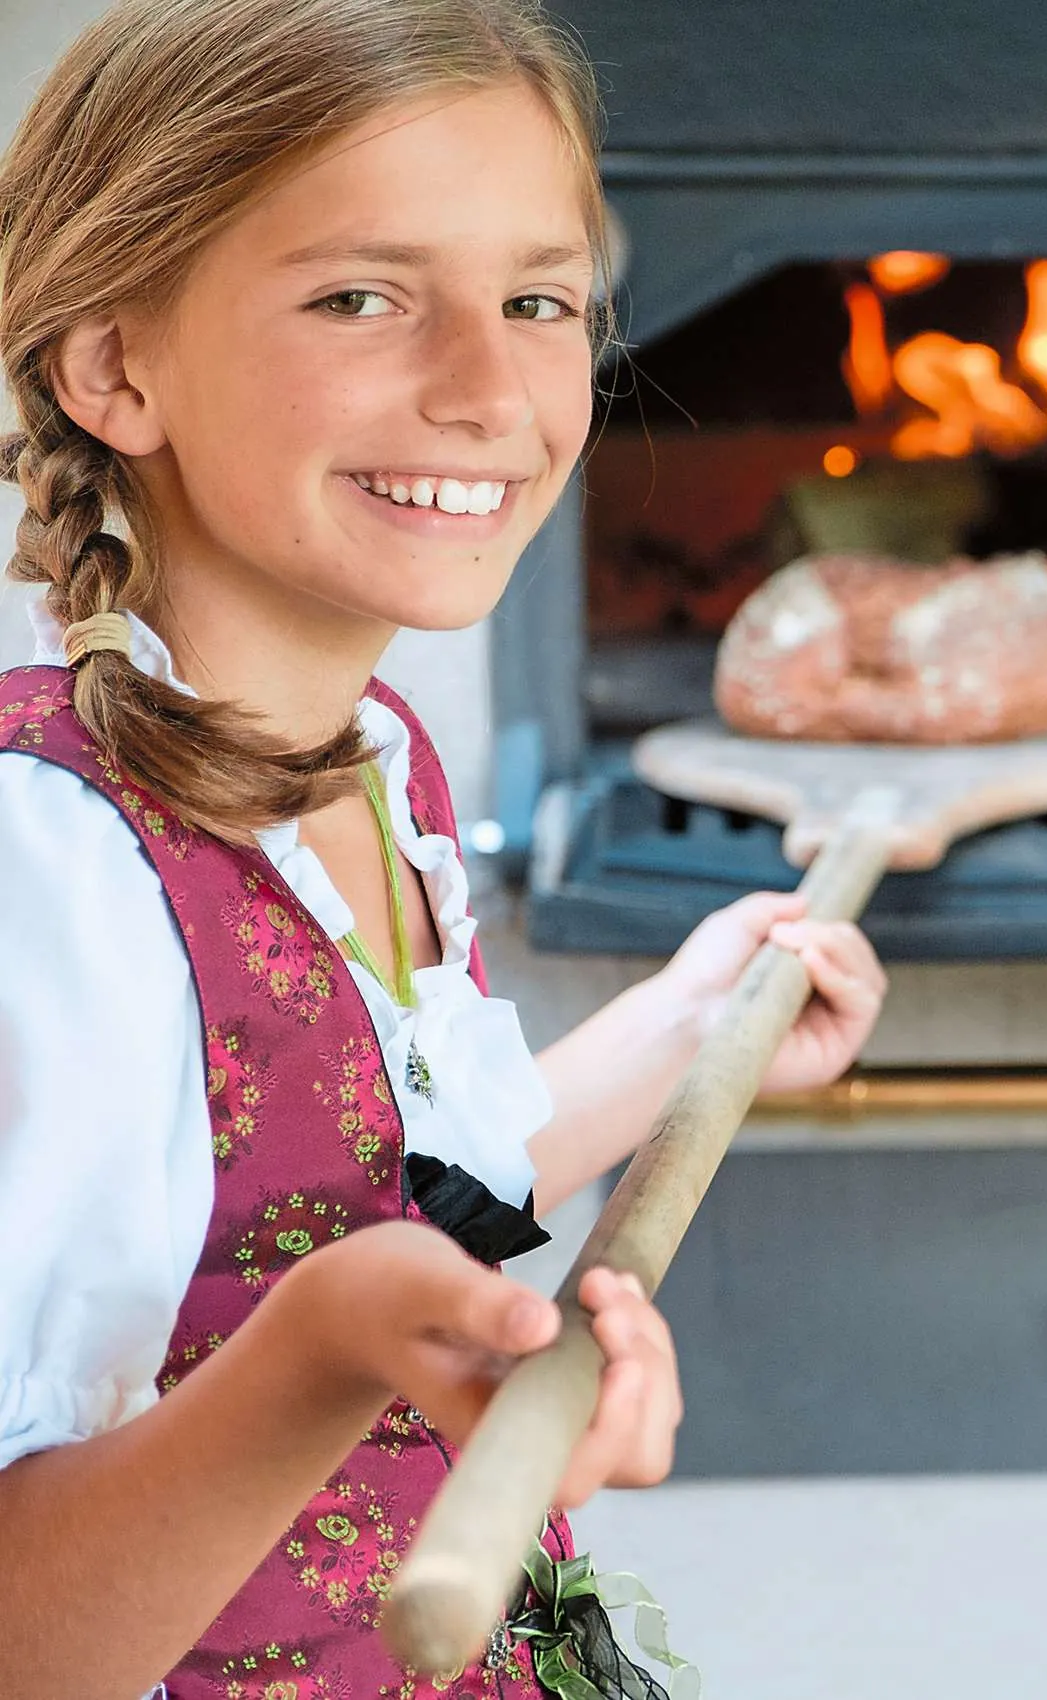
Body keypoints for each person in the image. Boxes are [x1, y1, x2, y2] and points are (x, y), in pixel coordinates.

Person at [0, 2, 886, 1694]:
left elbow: (375, 1179)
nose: (492, 391)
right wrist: (332, 1348)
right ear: (114, 367)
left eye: (540, 302)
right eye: (361, 298)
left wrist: (687, 1031)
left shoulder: (366, 753)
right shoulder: (51, 877)